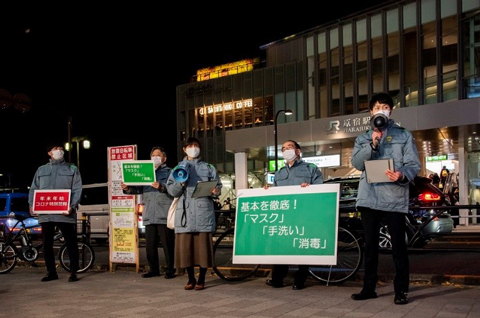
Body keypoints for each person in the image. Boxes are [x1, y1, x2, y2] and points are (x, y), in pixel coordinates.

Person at [350, 93, 420, 305]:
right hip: (369, 197)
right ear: (371, 112)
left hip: (394, 197)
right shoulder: (363, 137)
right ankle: (369, 288)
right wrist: (371, 146)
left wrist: (402, 174)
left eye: (385, 106)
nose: (381, 110)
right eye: (377, 107)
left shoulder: (403, 135)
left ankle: (401, 291)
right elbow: (357, 164)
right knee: (370, 247)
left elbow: (413, 164)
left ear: (391, 111)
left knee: (399, 247)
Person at [265, 139, 323, 290]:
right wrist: (266, 190)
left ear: (298, 151)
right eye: (283, 148)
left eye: (289, 147)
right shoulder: (279, 173)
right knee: (281, 246)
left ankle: (300, 279)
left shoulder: (311, 168)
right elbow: (275, 196)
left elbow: (320, 189)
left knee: (302, 245)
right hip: (284, 216)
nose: (286, 150)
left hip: (304, 213)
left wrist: (310, 188)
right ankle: (277, 278)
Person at [166, 137, 222, 290]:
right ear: (184, 149)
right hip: (184, 213)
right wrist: (180, 183)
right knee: (186, 249)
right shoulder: (177, 168)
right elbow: (172, 190)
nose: (193, 148)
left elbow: (218, 187)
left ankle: (202, 278)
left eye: (196, 145)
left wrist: (215, 191)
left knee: (203, 248)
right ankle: (190, 278)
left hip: (203, 212)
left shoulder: (209, 167)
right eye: (190, 146)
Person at [28, 143, 82, 282]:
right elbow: (34, 189)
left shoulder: (72, 168)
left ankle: (73, 272)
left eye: (61, 149)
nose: (59, 151)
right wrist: (31, 205)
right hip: (46, 214)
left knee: (71, 243)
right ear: (49, 153)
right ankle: (51, 272)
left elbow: (77, 189)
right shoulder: (41, 170)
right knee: (47, 244)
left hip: (66, 213)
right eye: (56, 149)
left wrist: (72, 205)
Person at [121, 146, 176, 279]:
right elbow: (138, 189)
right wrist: (127, 188)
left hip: (164, 212)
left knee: (167, 243)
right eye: (153, 155)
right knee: (149, 244)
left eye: (158, 155)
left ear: (164, 158)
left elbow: (175, 190)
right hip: (149, 212)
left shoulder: (170, 172)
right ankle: (153, 269)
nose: (155, 157)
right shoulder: (145, 171)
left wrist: (161, 187)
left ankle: (170, 269)